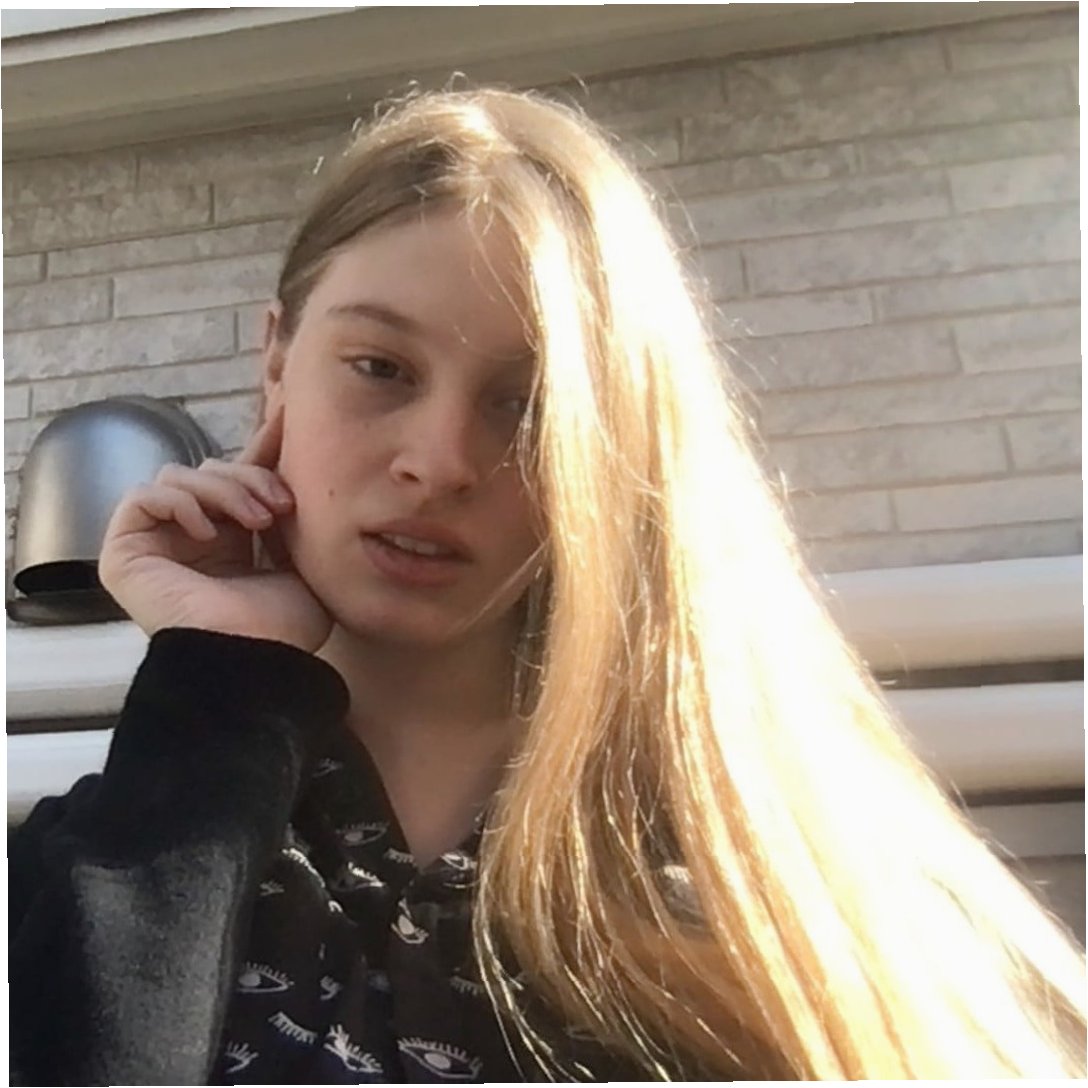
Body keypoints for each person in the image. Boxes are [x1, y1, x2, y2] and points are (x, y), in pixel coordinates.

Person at [8, 87, 1086, 1085]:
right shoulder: (101, 852)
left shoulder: (770, 880)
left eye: (529, 405)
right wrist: (218, 680)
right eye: (381, 367)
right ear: (276, 358)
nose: (440, 461)